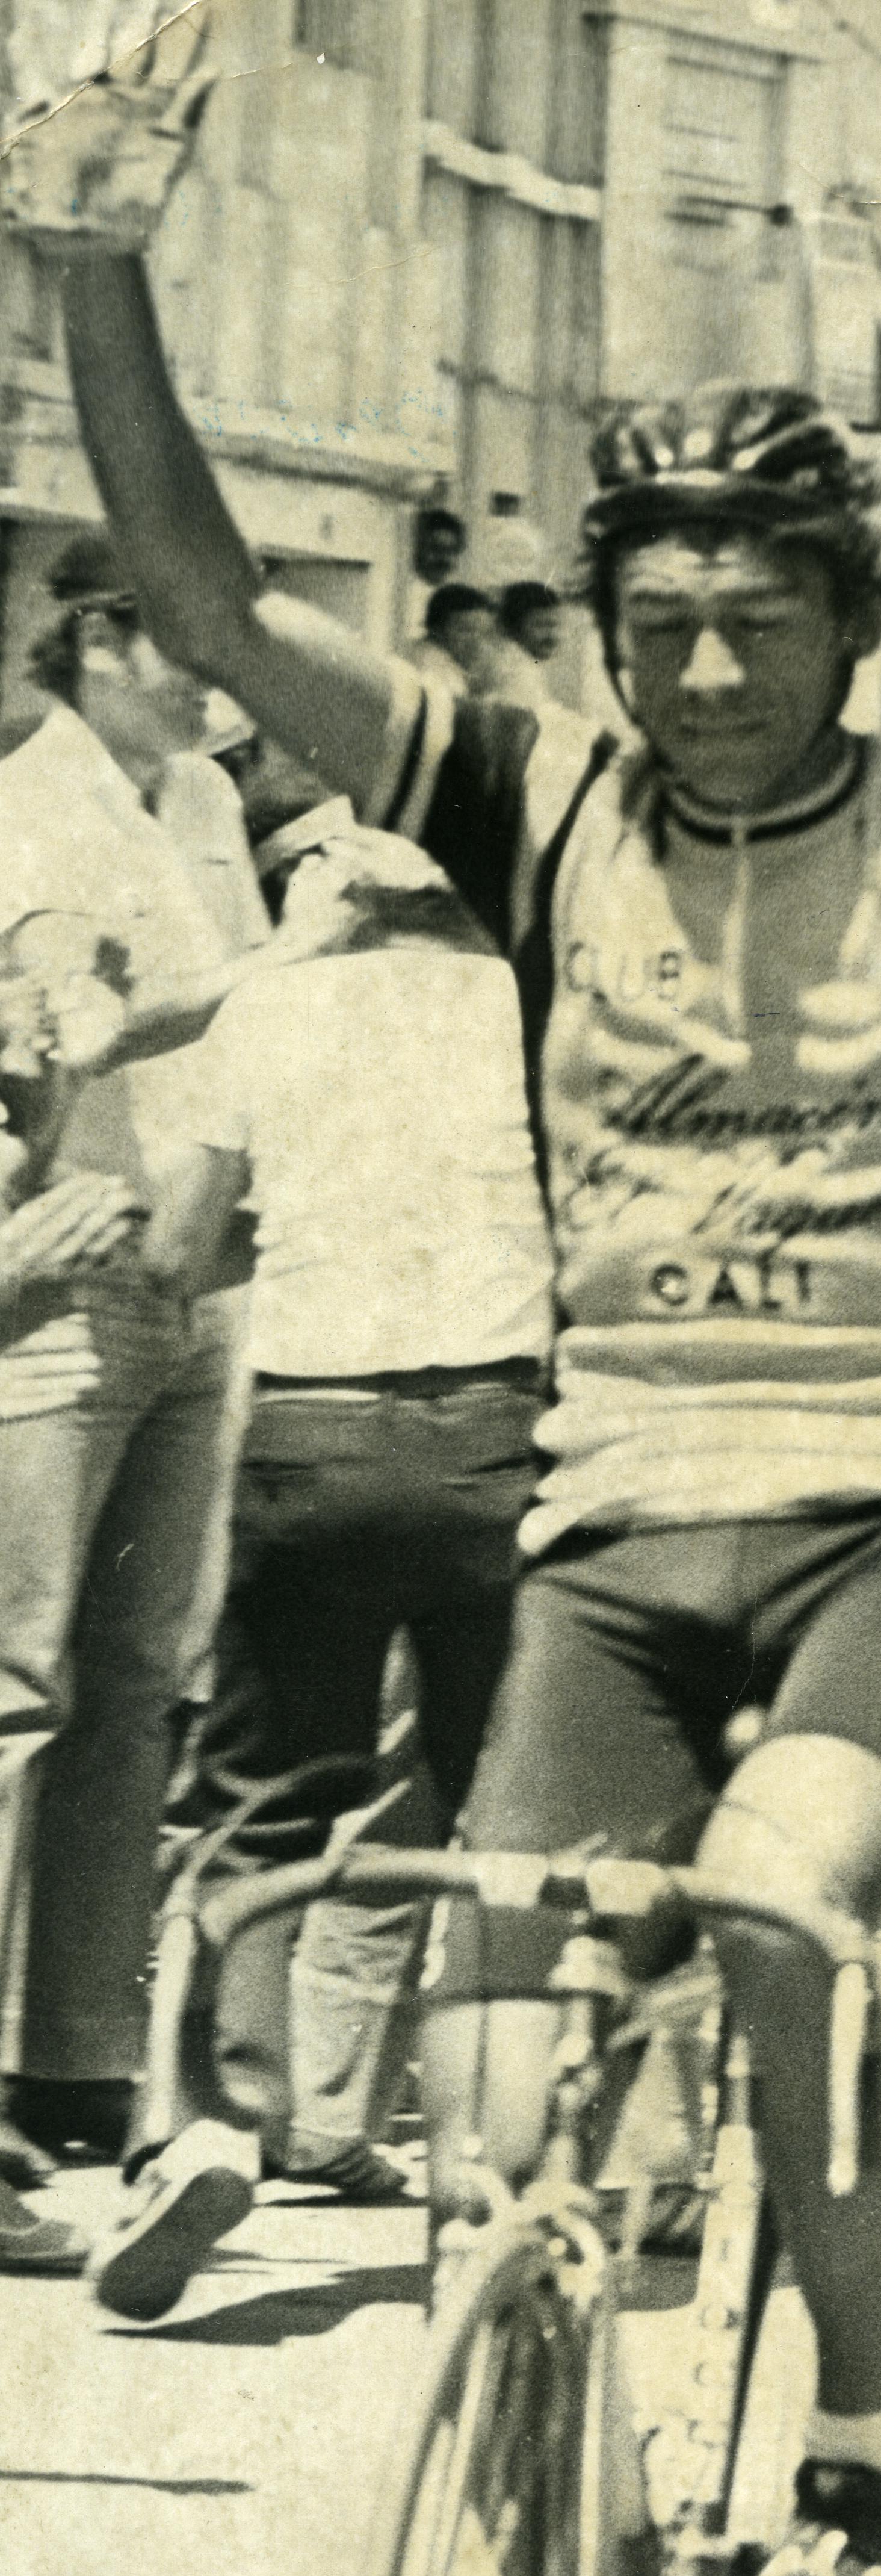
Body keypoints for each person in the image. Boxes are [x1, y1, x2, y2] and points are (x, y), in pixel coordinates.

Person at [40, 0, 881, 2576]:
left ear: (858, 627)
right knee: (493, 2114)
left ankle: (856, 2470)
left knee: (784, 1917)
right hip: (601, 1550)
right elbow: (220, 602)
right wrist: (86, 253)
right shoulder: (534, 802)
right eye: (660, 630)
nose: (704, 679)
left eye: (757, 629)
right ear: (600, 637)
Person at [88, 807, 554, 2317]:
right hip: (503, 1435)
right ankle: (499, 2154)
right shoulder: (533, 1001)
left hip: (310, 1439)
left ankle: (216, 2120)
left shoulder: (271, 1008)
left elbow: (175, 1254)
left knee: (255, 1807)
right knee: (511, 1819)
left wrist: (296, 1224)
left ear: (334, 885)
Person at [0, 536, 263, 2176]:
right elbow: (40, 1034)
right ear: (102, 636)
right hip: (62, 1285)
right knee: (17, 1683)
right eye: (184, 636)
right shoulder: (30, 803)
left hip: (199, 1278)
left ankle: (76, 2063)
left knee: (137, 1690)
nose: (217, 669)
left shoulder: (206, 804)